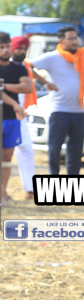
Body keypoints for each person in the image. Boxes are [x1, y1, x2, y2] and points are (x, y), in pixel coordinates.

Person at [31, 25, 84, 176]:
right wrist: (46, 83)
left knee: (76, 149)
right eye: (71, 39)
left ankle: (73, 180)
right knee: (55, 148)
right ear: (61, 41)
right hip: (59, 111)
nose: (75, 42)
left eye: (76, 38)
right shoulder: (52, 57)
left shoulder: (83, 56)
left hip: (78, 111)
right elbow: (28, 66)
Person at [0, 33, 32, 207]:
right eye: (1, 47)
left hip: (12, 119)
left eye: (7, 46)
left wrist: (3, 85)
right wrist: (14, 103)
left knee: (7, 156)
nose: (5, 50)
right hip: (6, 114)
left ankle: (2, 194)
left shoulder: (19, 68)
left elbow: (27, 87)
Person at [10, 36, 38, 199]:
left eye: (24, 49)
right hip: (5, 113)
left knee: (26, 149)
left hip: (21, 116)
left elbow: (32, 79)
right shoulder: (5, 66)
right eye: (18, 48)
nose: (21, 51)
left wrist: (47, 83)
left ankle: (29, 189)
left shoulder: (25, 66)